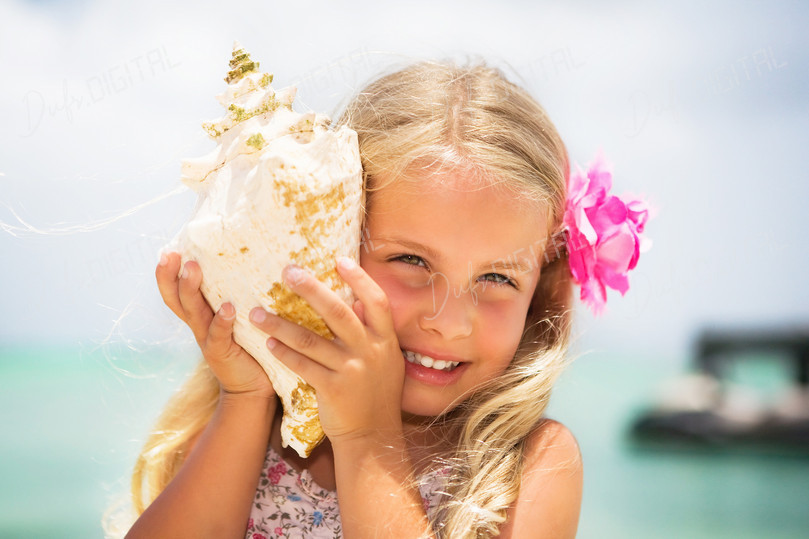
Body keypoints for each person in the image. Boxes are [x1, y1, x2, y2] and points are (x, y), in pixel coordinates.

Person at [124, 58, 641, 538]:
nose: (449, 322)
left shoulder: (532, 463)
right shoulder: (253, 432)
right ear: (335, 242)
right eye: (412, 262)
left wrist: (366, 440)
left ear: (538, 289)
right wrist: (247, 397)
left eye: (498, 279)